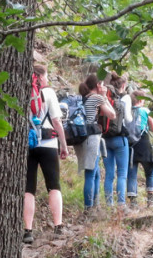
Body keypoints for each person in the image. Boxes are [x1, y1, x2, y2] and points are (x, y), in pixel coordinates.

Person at [24, 65, 68, 244]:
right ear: (41, 76)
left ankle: (28, 230)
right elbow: (57, 121)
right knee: (54, 185)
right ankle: (58, 226)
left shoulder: (21, 91)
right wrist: (63, 145)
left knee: (29, 189)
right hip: (49, 143)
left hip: (28, 144)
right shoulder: (49, 93)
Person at [74, 75, 114, 214]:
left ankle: (94, 205)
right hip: (92, 137)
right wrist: (104, 97)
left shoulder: (82, 97)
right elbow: (112, 114)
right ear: (98, 85)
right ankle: (89, 209)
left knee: (95, 172)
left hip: (81, 136)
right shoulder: (96, 97)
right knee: (91, 173)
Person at [102, 75, 133, 207]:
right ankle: (121, 204)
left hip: (105, 139)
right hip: (120, 139)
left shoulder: (105, 98)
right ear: (123, 85)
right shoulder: (125, 99)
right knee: (121, 173)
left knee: (109, 174)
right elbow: (129, 119)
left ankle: (109, 204)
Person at [127, 90, 153, 207]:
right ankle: (151, 200)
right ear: (141, 100)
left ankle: (133, 202)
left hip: (131, 145)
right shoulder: (145, 111)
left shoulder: (128, 111)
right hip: (144, 143)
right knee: (149, 172)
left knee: (132, 174)